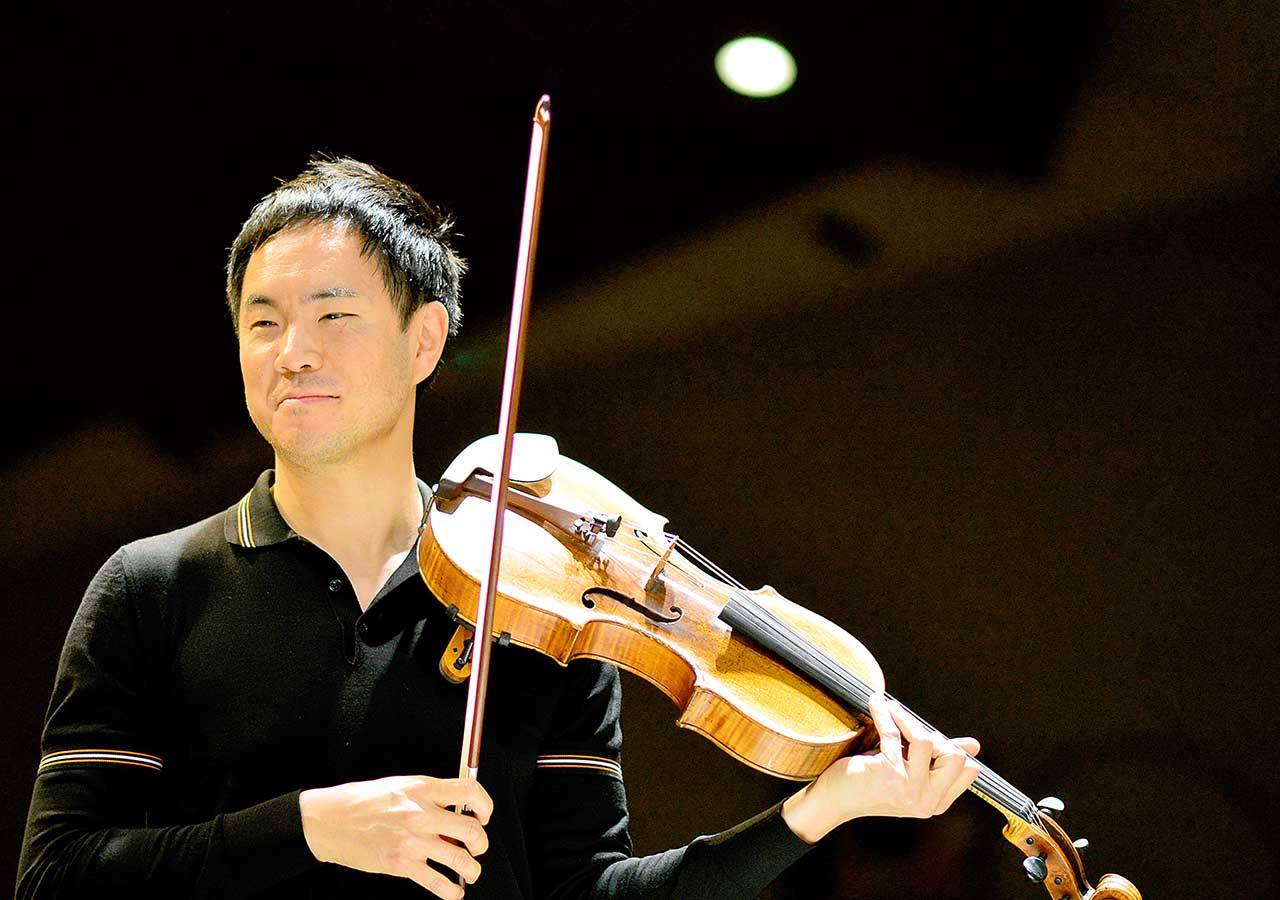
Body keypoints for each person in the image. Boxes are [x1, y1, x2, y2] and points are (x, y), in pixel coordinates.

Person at [17, 157, 981, 899]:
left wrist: (818, 810)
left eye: (334, 315)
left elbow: (587, 891)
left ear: (425, 339)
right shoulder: (152, 586)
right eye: (262, 323)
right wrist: (310, 827)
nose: (293, 352)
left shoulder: (541, 597)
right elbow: (58, 875)